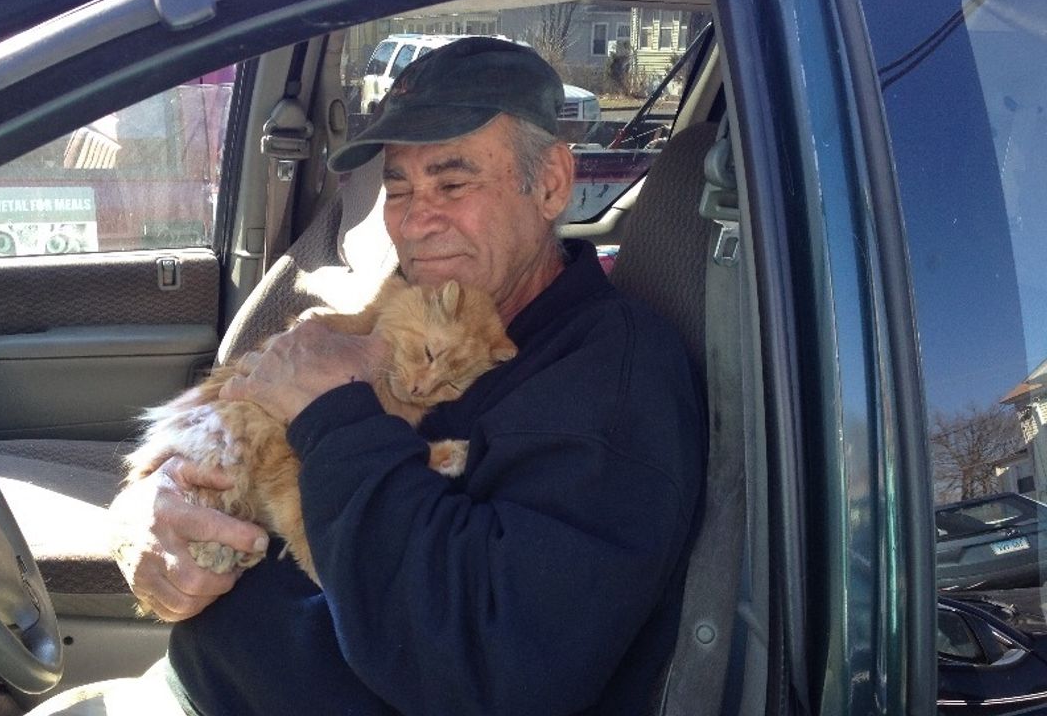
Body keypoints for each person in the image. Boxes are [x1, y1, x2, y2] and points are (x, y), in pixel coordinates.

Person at [49, 37, 706, 715]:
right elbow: (243, 424)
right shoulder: (409, 300)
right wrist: (147, 508)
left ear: (550, 184)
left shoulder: (611, 376)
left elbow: (492, 663)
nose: (417, 220)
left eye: (452, 183)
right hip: (189, 683)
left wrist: (331, 414)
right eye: (398, 187)